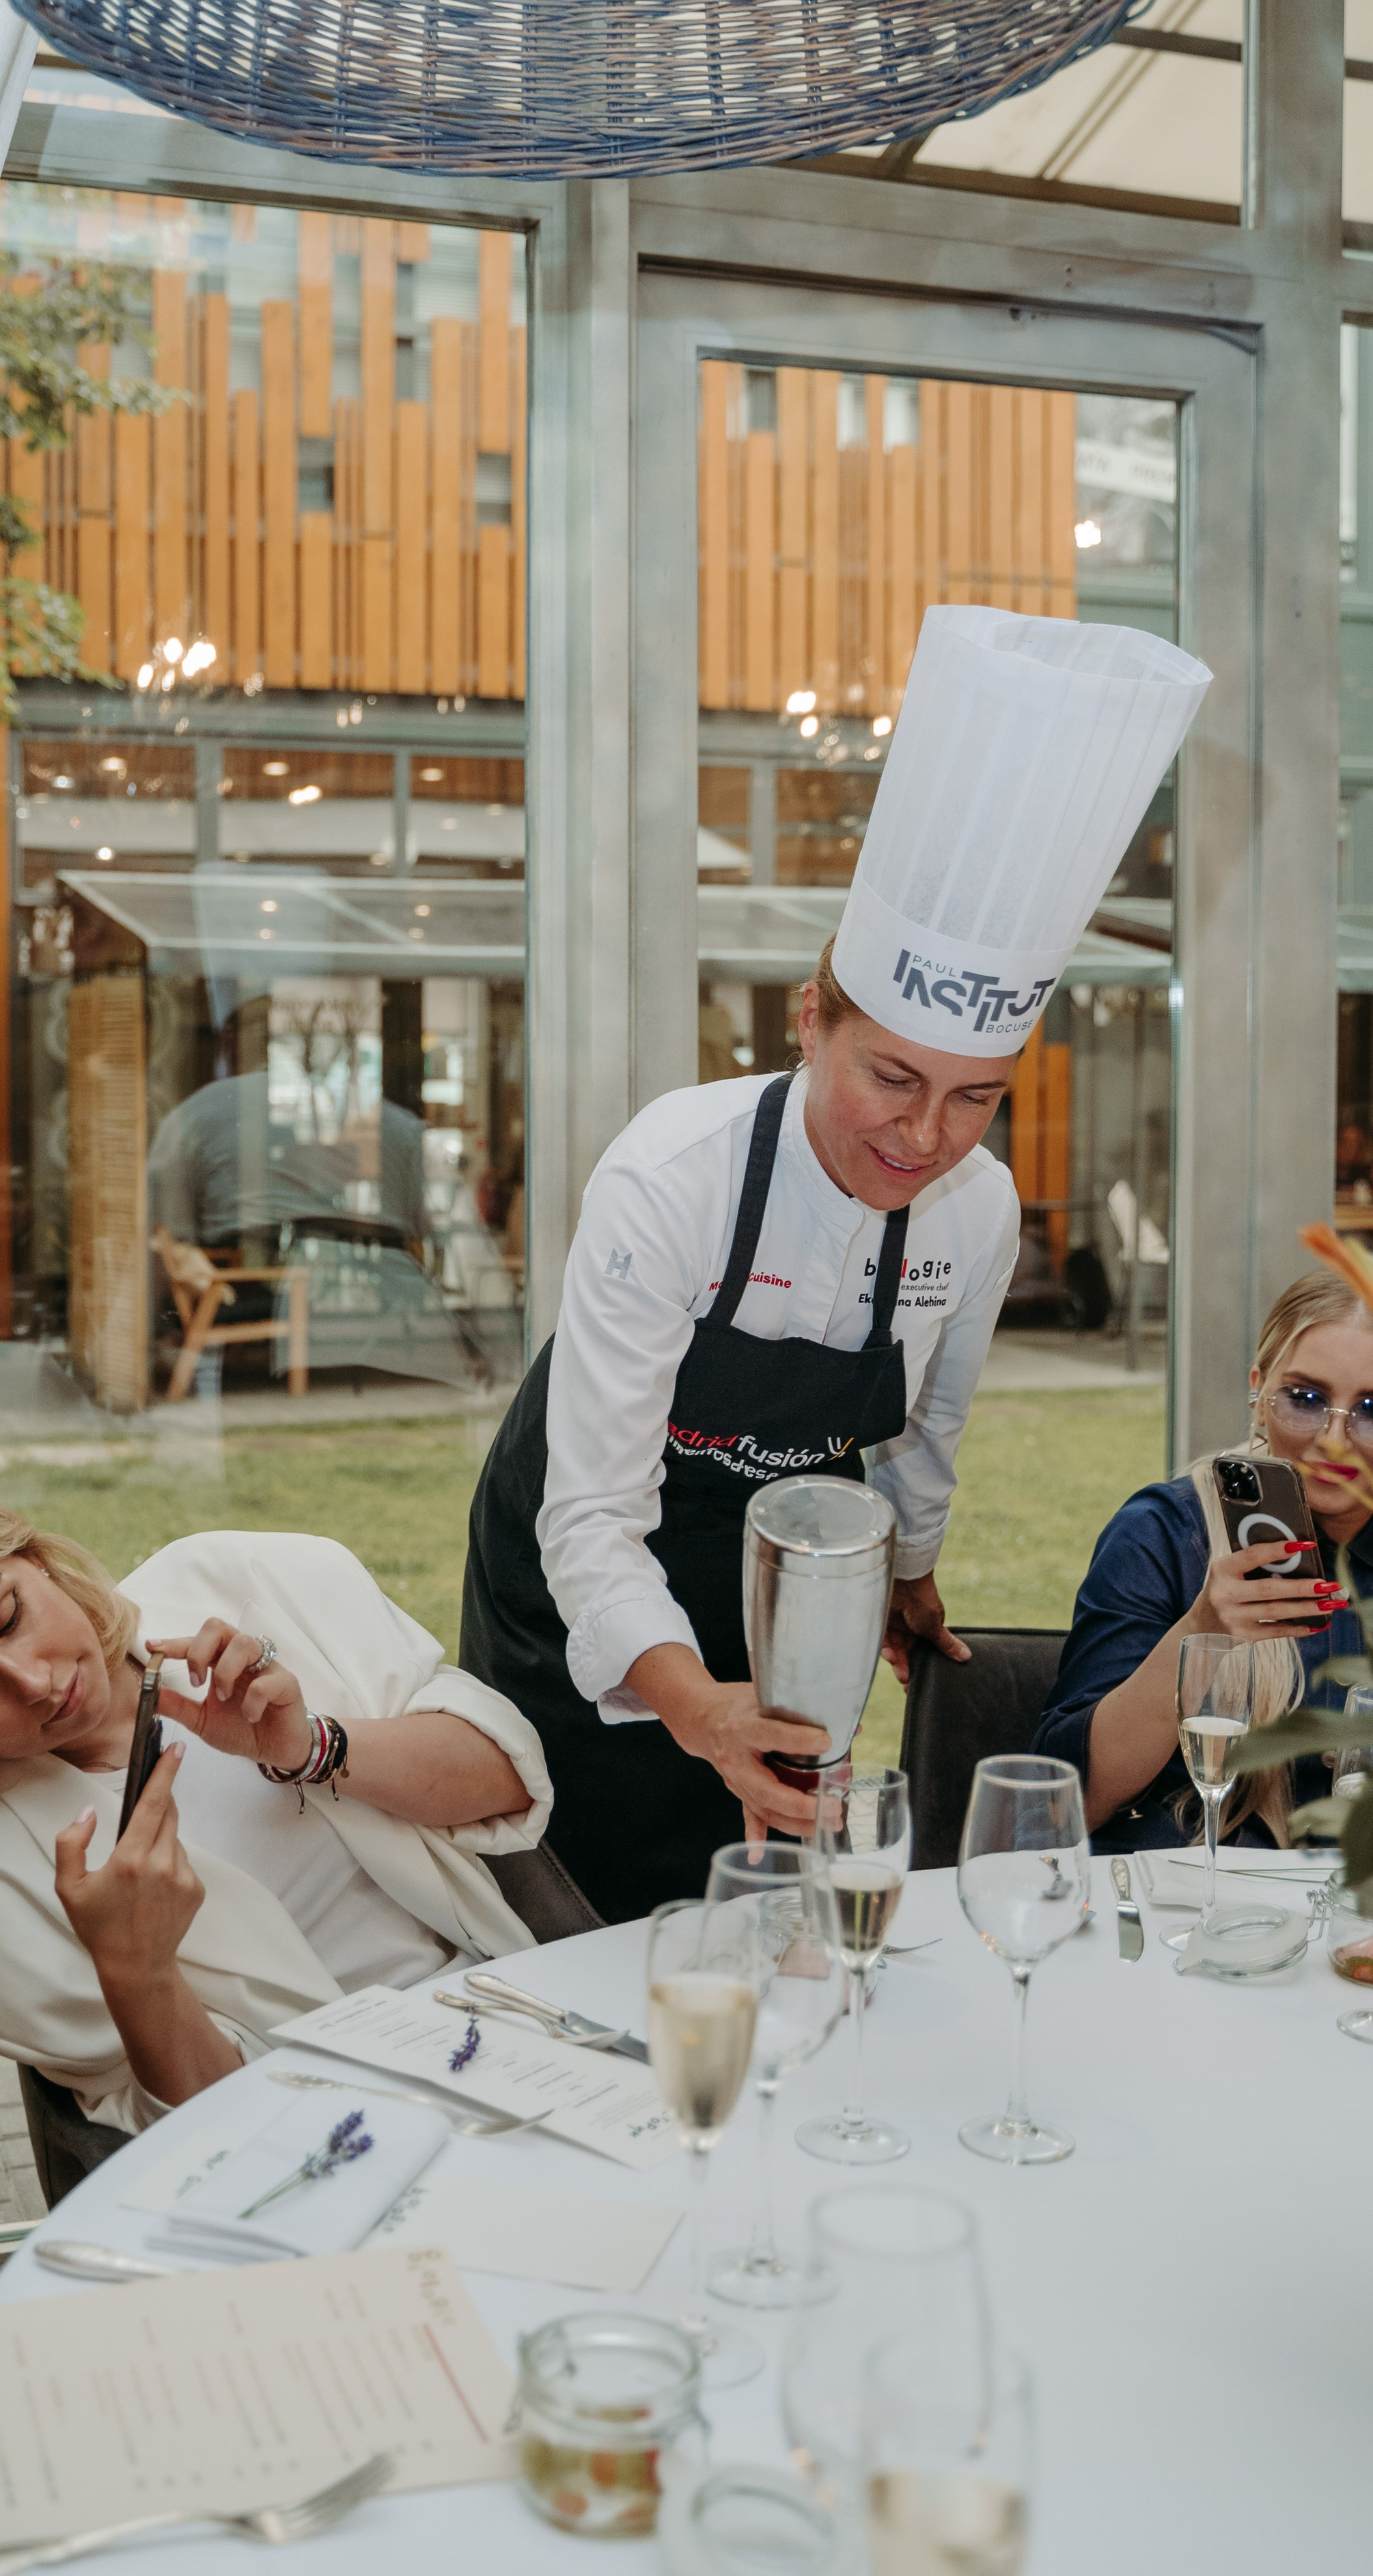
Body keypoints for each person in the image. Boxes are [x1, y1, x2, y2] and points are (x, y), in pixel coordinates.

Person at [462, 607, 1212, 1921]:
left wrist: (910, 1578)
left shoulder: (975, 1213)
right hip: (579, 1560)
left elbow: (924, 1428)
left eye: (976, 1097)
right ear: (810, 1022)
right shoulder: (672, 1177)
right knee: (591, 1888)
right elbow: (591, 1517)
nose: (925, 1138)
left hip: (787, 1559)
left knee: (774, 1886)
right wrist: (693, 1702)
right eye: (893, 1077)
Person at [0, 1490, 549, 2133]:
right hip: (331, 2153)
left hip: (521, 2038)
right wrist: (135, 1970)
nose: (32, 1681)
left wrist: (309, 1745)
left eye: (10, 1617)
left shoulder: (246, 1580)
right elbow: (211, 2141)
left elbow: (507, 1786)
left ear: (34, 1559)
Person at [1036, 1270, 1368, 1850]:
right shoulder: (1165, 1535)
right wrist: (1202, 1632)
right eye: (1306, 1400)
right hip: (1192, 1907)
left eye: (1371, 1408)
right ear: (1258, 1393)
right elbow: (1061, 1809)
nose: (1334, 1441)